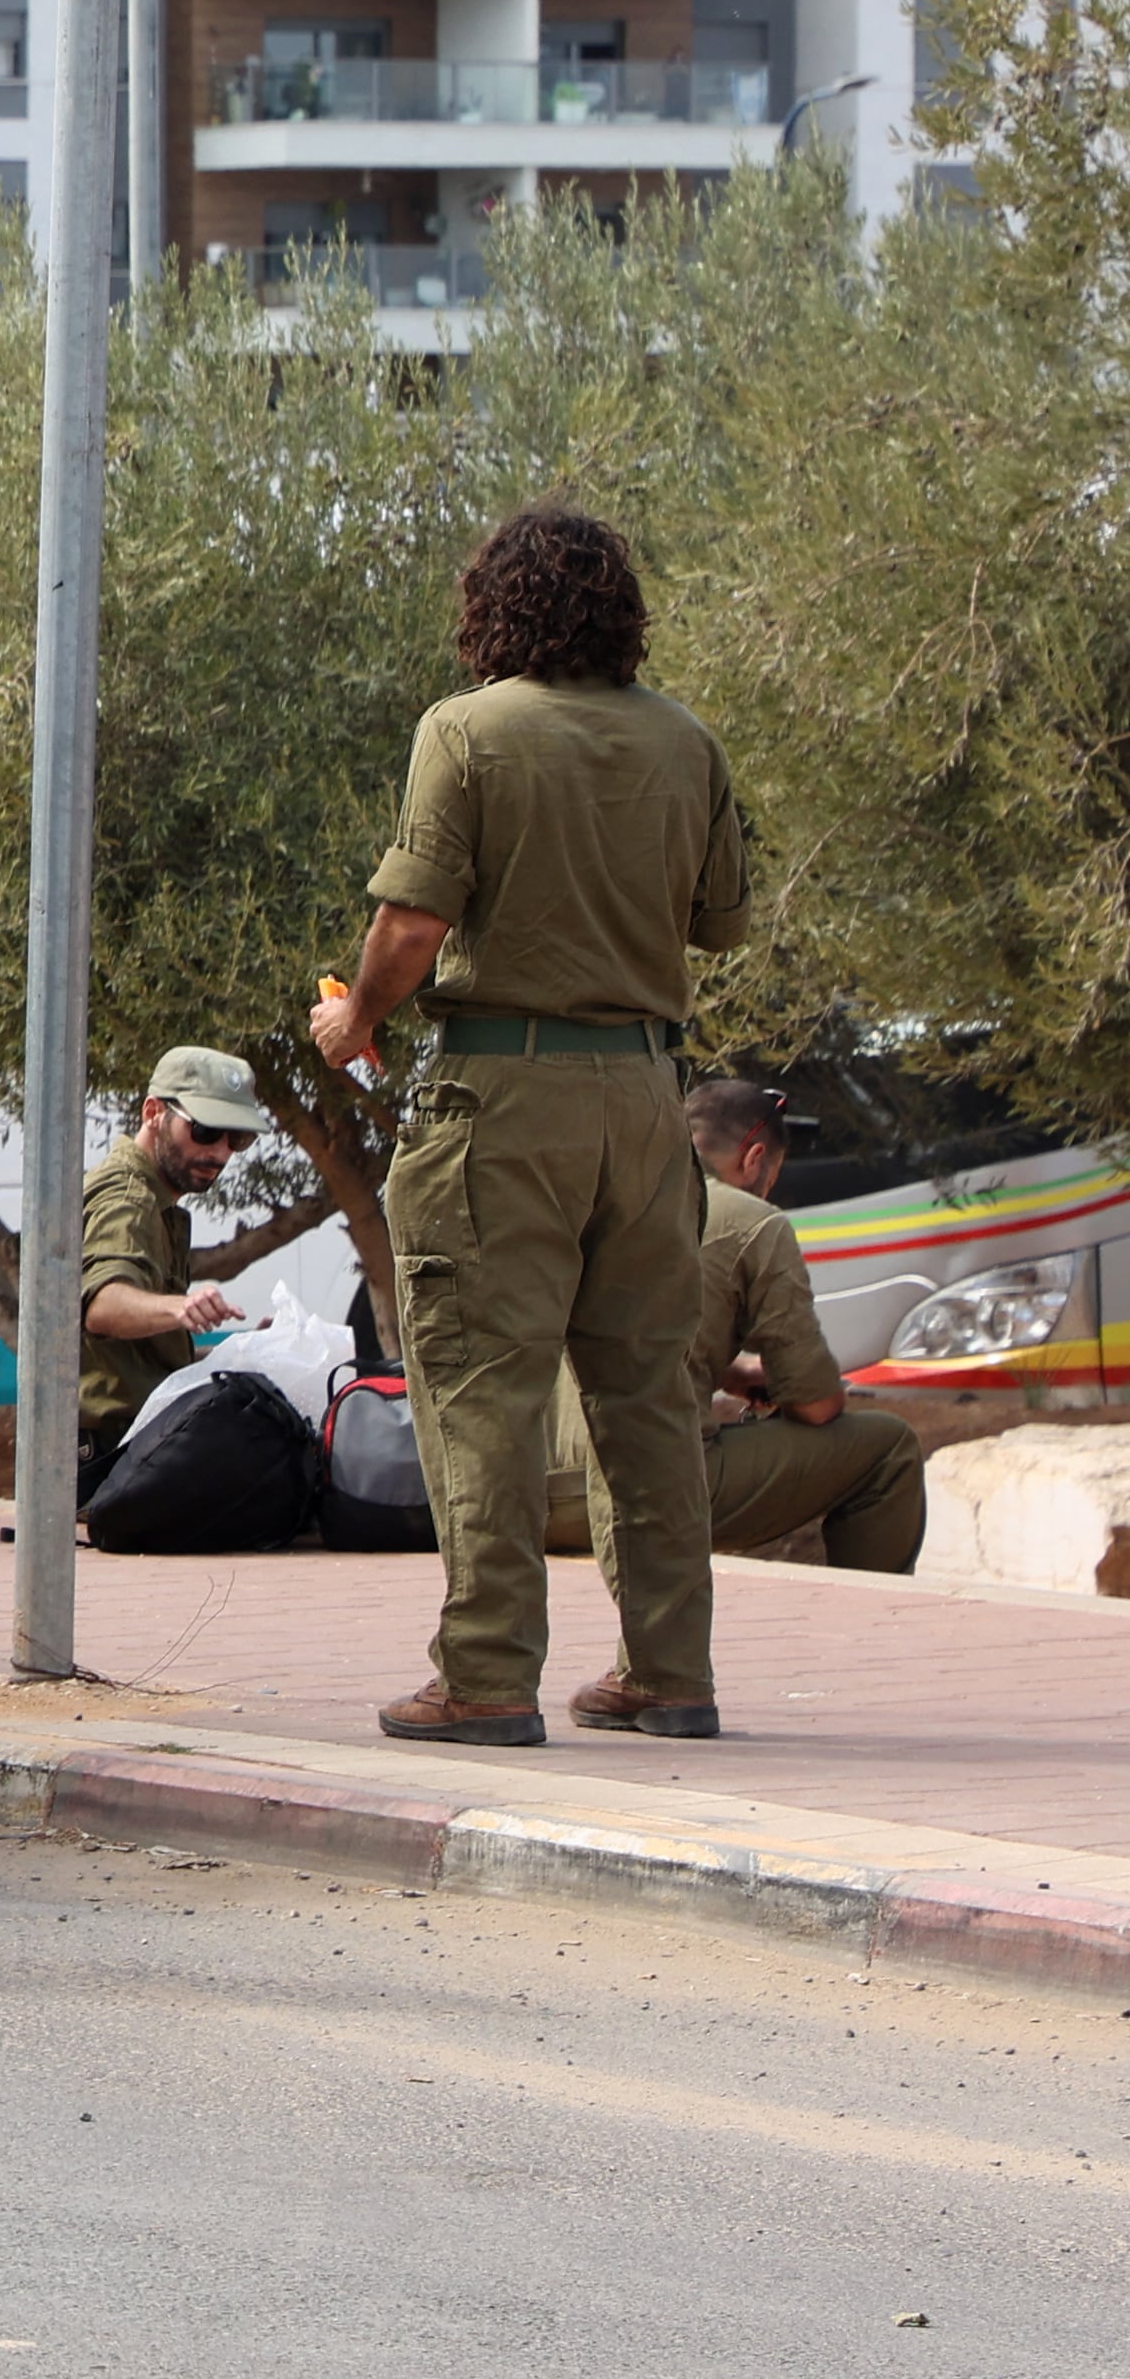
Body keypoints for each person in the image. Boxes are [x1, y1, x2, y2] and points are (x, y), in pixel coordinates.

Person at [308, 502, 754, 1747]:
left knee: (481, 1393)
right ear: (620, 613)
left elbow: (407, 928)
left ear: (491, 610)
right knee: (646, 1398)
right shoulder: (686, 742)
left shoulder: (465, 731)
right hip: (644, 1096)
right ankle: (668, 1672)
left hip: (500, 1096)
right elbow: (719, 923)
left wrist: (352, 1025)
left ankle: (486, 1675)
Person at [541, 1080, 926, 1578]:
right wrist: (796, 1389)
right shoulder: (752, 1221)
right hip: (642, 1496)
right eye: (772, 1176)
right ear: (754, 1158)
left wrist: (727, 1373)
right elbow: (814, 1405)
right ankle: (876, 1627)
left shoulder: (594, 1193)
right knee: (888, 1448)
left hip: (537, 1494)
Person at [80, 1049, 265, 1497]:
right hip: (115, 1458)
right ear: (153, 1113)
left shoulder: (158, 1202)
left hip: (141, 1446)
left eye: (236, 1139)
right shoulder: (129, 1198)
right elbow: (102, 1306)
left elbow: (146, 1362)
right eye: (205, 1130)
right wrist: (180, 1307)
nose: (220, 1152)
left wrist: (239, 1353)